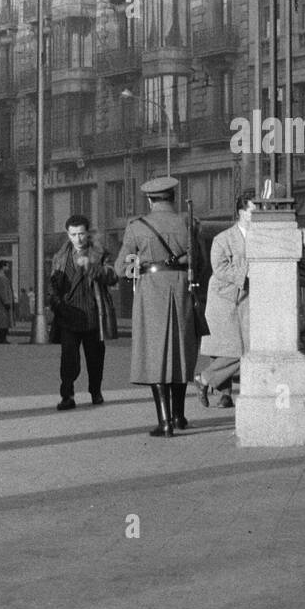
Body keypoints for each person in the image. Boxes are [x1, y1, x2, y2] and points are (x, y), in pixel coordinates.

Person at [119, 176, 205, 437]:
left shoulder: (137, 226)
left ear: (149, 199)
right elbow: (199, 263)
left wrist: (140, 267)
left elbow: (122, 268)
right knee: (181, 350)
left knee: (155, 354)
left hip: (151, 291)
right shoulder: (188, 222)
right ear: (173, 197)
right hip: (181, 290)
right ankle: (179, 416)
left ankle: (165, 422)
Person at [48, 216, 118, 410]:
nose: (78, 239)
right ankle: (67, 395)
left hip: (93, 314)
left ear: (88, 233)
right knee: (68, 359)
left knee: (95, 358)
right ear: (67, 234)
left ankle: (95, 391)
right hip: (68, 315)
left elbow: (113, 276)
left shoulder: (100, 253)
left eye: (81, 234)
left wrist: (92, 267)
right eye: (73, 234)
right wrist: (55, 301)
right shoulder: (60, 256)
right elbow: (53, 285)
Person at [194, 193, 255, 410]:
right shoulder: (223, 239)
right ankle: (213, 385)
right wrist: (248, 272)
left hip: (246, 299)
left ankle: (205, 381)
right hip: (223, 299)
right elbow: (219, 268)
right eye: (252, 211)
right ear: (241, 213)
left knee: (247, 348)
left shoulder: (261, 236)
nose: (256, 215)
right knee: (231, 349)